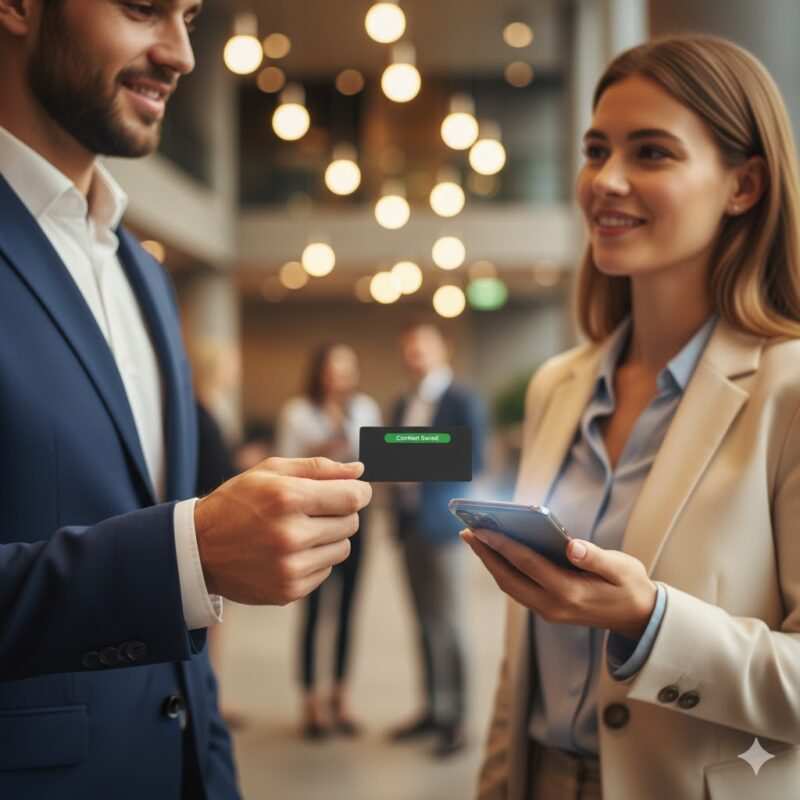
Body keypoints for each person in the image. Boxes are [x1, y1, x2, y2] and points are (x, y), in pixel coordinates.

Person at [0, 2, 370, 798]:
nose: (182, 54)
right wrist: (186, 554)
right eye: (142, 8)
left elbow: (182, 669)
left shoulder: (143, 273)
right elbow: (174, 555)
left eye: (190, 16)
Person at [468, 34, 800, 800]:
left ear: (743, 185)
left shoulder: (787, 390)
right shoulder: (560, 386)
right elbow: (521, 664)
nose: (606, 181)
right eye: (595, 150)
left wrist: (652, 622)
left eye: (651, 154)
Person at [388, 323, 487, 758]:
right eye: (409, 348)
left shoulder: (462, 399)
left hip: (444, 527)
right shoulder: (401, 402)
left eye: (422, 347)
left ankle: (458, 720)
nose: (415, 355)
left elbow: (472, 458)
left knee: (450, 624)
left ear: (441, 349)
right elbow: (389, 458)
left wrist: (406, 450)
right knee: (423, 622)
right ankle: (433, 707)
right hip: (407, 523)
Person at [275, 344, 382, 739]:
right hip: (313, 515)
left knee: (349, 608)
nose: (341, 375)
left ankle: (340, 697)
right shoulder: (298, 412)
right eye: (334, 367)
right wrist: (316, 452)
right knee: (314, 609)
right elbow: (283, 464)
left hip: (357, 515)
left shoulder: (366, 409)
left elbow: (379, 463)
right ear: (320, 371)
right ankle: (310, 702)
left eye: (348, 367)